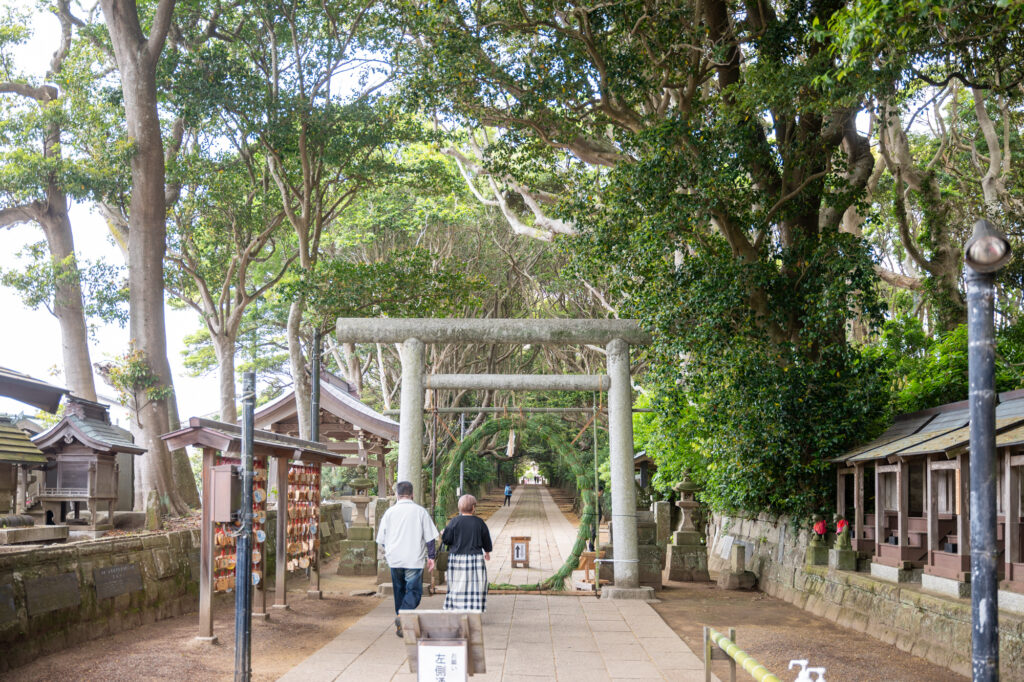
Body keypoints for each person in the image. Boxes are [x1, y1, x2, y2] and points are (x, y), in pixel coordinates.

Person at [376, 480, 440, 637]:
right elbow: (430, 537)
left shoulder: (389, 513)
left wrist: (389, 552)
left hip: (395, 558)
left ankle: (401, 624)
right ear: (412, 494)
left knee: (399, 591)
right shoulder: (420, 512)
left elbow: (381, 539)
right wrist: (431, 557)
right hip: (413, 558)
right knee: (414, 592)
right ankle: (402, 616)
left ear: (397, 495)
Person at [441, 494, 492, 612]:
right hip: (475, 558)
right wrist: (487, 552)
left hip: (457, 558)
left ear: (459, 507)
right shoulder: (479, 522)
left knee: (457, 584)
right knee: (476, 584)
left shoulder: (454, 521)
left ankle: (456, 607)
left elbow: (447, 540)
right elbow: (486, 539)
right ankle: (474, 608)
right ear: (473, 507)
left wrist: (444, 533)